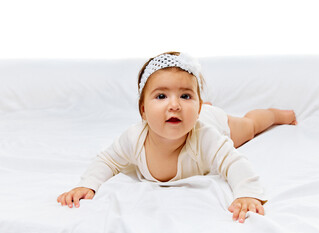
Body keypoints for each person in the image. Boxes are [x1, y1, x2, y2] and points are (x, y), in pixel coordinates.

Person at [57, 52, 297, 223]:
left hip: (215, 121)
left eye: (185, 96)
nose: (174, 105)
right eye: (161, 96)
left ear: (197, 105)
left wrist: (246, 193)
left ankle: (275, 114)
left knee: (249, 126)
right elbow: (107, 160)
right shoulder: (134, 139)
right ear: (142, 110)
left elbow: (234, 163)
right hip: (198, 114)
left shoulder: (207, 137)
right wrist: (87, 184)